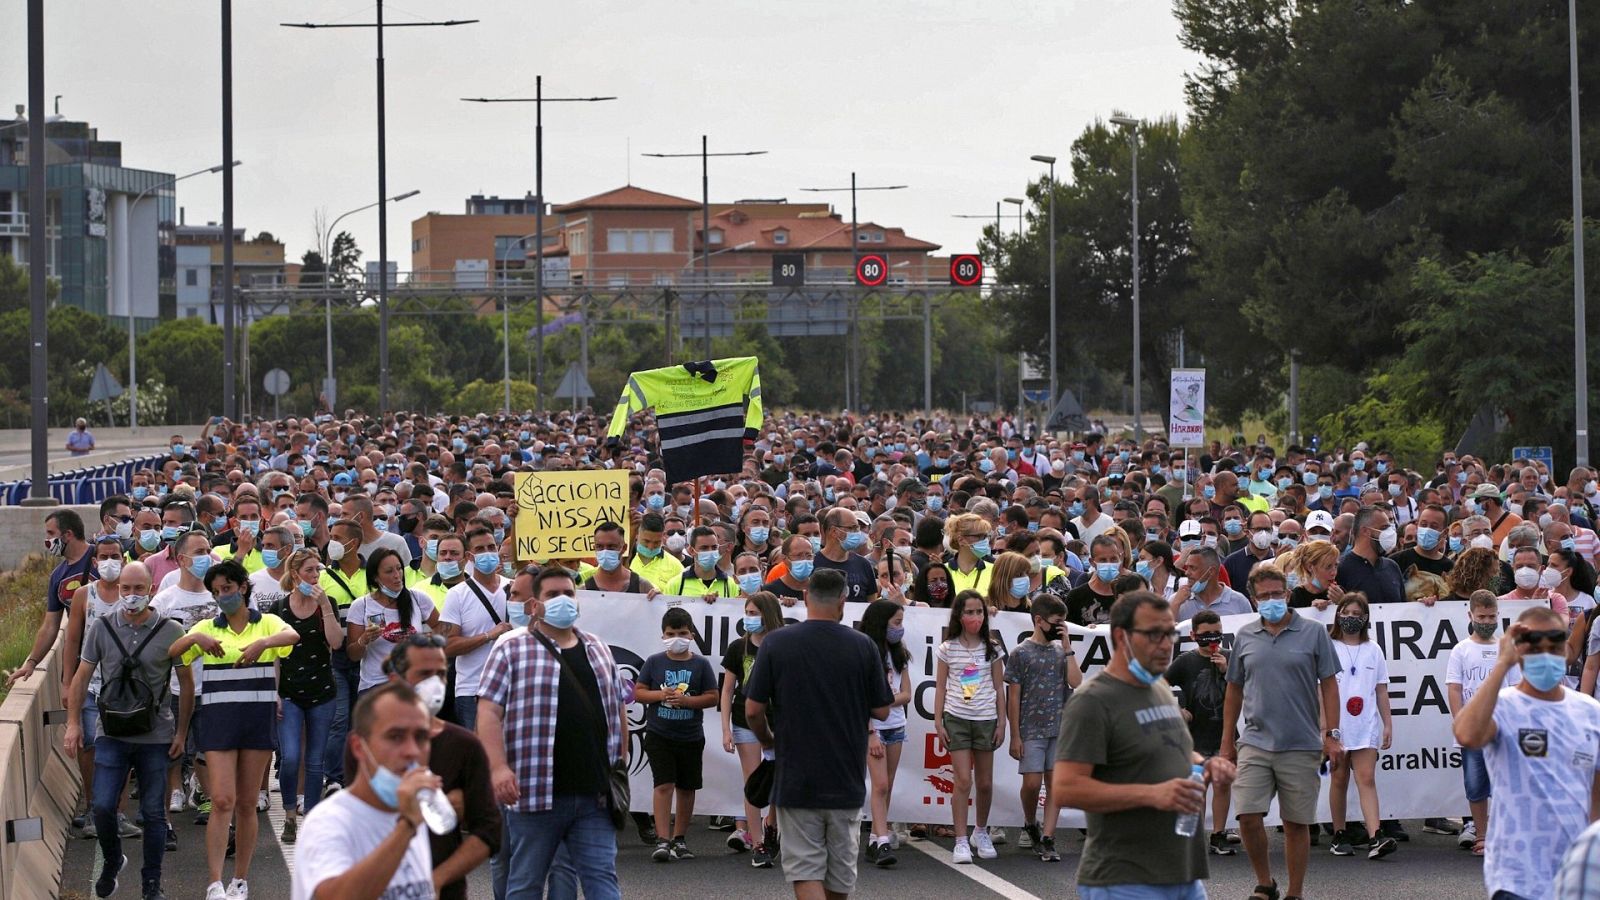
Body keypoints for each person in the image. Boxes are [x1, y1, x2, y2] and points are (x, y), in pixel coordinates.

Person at [1055, 590, 1237, 899]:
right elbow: (1066, 788)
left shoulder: (1159, 688)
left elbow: (1173, 747)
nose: (1165, 644)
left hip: (1183, 874)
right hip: (1125, 879)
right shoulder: (1094, 701)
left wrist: (1207, 765)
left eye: (1169, 633)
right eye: (1153, 634)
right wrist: (1153, 794)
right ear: (1120, 635)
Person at [478, 567, 629, 899]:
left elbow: (616, 705)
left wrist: (620, 760)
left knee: (602, 879)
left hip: (595, 794)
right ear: (534, 605)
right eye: (553, 595)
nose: (563, 600)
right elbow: (488, 710)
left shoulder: (598, 648)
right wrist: (498, 767)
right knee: (526, 882)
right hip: (534, 793)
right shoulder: (511, 648)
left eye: (569, 593)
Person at [744, 568, 893, 900]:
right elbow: (882, 710)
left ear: (806, 597)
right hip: (845, 777)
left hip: (796, 777)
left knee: (806, 871)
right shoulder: (864, 646)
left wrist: (768, 738)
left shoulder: (776, 643)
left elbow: (752, 710)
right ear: (843, 601)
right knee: (839, 879)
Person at [168, 559, 299, 900]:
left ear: (242, 587)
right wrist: (195, 635)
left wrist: (262, 646)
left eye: (227, 588)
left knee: (245, 803)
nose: (222, 595)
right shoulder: (209, 628)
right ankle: (215, 883)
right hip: (219, 720)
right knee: (222, 799)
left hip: (256, 719)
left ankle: (240, 880)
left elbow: (293, 635)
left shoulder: (267, 623)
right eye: (216, 591)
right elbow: (174, 653)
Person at [63, 560, 192, 900]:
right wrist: (74, 723)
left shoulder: (171, 630)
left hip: (155, 734)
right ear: (118, 589)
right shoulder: (102, 628)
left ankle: (152, 883)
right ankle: (111, 859)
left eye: (138, 588)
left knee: (153, 814)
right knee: (103, 806)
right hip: (112, 732)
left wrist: (181, 733)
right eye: (125, 588)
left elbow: (186, 682)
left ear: (151, 590)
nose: (131, 595)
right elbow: (82, 675)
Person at [1455, 606, 1600, 900]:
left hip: (1577, 875)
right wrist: (1502, 664)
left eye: (1554, 646)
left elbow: (1596, 793)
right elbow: (1467, 735)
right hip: (1516, 877)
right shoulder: (1504, 706)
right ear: (1520, 651)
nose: (1545, 655)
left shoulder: (1590, 712)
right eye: (1535, 646)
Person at [1221, 564, 1344, 900]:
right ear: (1253, 599)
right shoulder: (1245, 635)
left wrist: (1331, 734)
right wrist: (1226, 744)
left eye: (1277, 594)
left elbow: (1330, 685)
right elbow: (1233, 689)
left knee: (1295, 823)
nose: (1272, 600)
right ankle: (1265, 882)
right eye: (1264, 596)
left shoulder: (1314, 632)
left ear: (1288, 594)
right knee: (1247, 815)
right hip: (1255, 741)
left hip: (1301, 743)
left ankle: (1295, 892)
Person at [365, 632, 502, 900]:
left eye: (441, 674)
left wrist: (436, 880)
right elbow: (363, 819)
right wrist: (442, 803)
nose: (435, 683)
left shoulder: (465, 745)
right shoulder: (365, 743)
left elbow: (488, 831)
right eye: (424, 673)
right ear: (397, 680)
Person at [290, 681, 441, 900]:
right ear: (359, 747)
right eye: (395, 736)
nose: (411, 750)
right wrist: (406, 827)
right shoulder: (329, 822)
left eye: (421, 737)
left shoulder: (413, 810)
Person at [269, 548, 344, 841]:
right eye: (310, 570)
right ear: (296, 572)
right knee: (290, 757)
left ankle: (310, 819)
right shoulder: (278, 607)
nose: (315, 576)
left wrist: (324, 603)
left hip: (322, 690)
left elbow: (336, 643)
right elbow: (275, 655)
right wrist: (273, 693)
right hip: (288, 690)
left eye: (318, 570)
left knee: (315, 761)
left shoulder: (328, 603)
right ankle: (289, 813)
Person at [634, 606, 718, 862]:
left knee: (686, 787)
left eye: (682, 632)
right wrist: (661, 695)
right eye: (671, 633)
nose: (677, 637)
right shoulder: (654, 661)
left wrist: (688, 702)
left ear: (691, 635)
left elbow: (713, 697)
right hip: (659, 734)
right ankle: (662, 839)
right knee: (663, 785)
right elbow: (638, 692)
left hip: (691, 735)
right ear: (663, 635)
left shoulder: (701, 664)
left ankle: (679, 838)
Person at [1004, 593, 1082, 863]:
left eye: (1064, 624)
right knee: (1032, 783)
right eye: (1056, 623)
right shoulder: (1020, 653)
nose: (1060, 628)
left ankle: (1048, 837)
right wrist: (1015, 735)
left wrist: (1068, 644)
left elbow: (1075, 681)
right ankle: (1029, 821)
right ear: (1039, 620)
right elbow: (1013, 698)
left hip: (1059, 729)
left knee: (1055, 785)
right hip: (1031, 729)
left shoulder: (1061, 651)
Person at [60, 535, 129, 838]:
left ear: (124, 560)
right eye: (104, 556)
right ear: (94, 560)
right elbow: (72, 640)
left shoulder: (133, 595)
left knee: (124, 747)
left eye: (115, 556)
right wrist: (67, 682)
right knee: (90, 746)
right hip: (90, 683)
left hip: (126, 687)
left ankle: (118, 811)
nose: (110, 562)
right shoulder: (84, 596)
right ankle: (92, 808)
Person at [934, 588, 1008, 863]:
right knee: (963, 780)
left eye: (979, 611)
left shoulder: (993, 648)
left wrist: (1002, 722)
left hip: (986, 718)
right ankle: (961, 839)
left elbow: (1000, 688)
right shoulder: (947, 648)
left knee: (985, 783)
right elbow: (940, 686)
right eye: (969, 612)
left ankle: (981, 831)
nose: (975, 616)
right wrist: (937, 720)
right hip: (957, 718)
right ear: (959, 615)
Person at [1446, 590, 1520, 857]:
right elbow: (1454, 689)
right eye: (1481, 616)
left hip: (1501, 731)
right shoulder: (1461, 650)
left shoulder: (1505, 649)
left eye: (1491, 616)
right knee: (1475, 785)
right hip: (1473, 732)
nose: (1487, 621)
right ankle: (1482, 834)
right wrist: (1460, 721)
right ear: (1470, 616)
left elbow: (1514, 688)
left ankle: (1502, 834)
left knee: (1504, 785)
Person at [1325, 593, 1397, 860]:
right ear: (1338, 614)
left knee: (1366, 778)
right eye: (1347, 613)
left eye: (1357, 614)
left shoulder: (1373, 649)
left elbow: (1381, 691)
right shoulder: (1328, 646)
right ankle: (1339, 833)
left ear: (1365, 618)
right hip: (1337, 725)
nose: (1351, 618)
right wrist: (1325, 728)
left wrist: (1388, 723)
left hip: (1365, 724)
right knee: (1339, 778)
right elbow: (1321, 689)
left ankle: (1375, 835)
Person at [1165, 609, 1239, 855]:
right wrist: (1177, 709)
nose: (1212, 640)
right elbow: (1157, 686)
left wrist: (1226, 671)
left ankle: (1218, 833)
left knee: (1222, 785)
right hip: (1194, 736)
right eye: (1206, 635)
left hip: (1225, 734)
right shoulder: (1186, 661)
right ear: (1194, 635)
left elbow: (1246, 691)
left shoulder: (1231, 657)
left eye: (1216, 634)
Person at [719, 591, 785, 866]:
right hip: (745, 720)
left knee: (777, 781)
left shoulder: (782, 646)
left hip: (779, 722)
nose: (749, 618)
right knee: (753, 781)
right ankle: (757, 843)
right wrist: (725, 729)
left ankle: (771, 829)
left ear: (768, 615)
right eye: (747, 613)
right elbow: (727, 690)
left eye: (754, 613)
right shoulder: (738, 647)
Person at [8, 509, 95, 689]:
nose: (47, 540)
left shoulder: (101, 557)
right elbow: (50, 626)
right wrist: (31, 662)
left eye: (50, 533)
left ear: (68, 534)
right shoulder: (58, 576)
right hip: (82, 657)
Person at [438, 527, 511, 730]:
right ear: (470, 556)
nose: (487, 552)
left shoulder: (513, 588)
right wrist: (488, 635)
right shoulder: (457, 595)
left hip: (512, 686)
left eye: (491, 547)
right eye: (480, 549)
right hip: (473, 691)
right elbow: (448, 645)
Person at [859, 599, 913, 866]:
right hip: (875, 727)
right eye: (897, 623)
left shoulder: (898, 653)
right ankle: (881, 840)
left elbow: (907, 693)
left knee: (887, 785)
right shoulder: (867, 653)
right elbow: (862, 698)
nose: (900, 629)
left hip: (895, 725)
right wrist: (871, 727)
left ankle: (875, 836)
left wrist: (885, 700)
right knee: (879, 784)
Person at [345, 548, 440, 694]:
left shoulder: (418, 598)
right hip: (376, 686)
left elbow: (443, 628)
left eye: (399, 569)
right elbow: (353, 655)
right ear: (376, 577)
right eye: (389, 571)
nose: (397, 576)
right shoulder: (361, 606)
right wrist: (364, 640)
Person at [815, 508, 880, 601]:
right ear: (834, 531)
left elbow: (871, 604)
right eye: (851, 528)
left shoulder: (864, 564)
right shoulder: (813, 563)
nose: (857, 532)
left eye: (857, 528)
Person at [1175, 545, 1254, 620]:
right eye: (1187, 567)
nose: (1187, 573)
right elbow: (1165, 631)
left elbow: (1249, 633)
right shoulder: (1178, 600)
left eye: (1193, 568)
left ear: (1211, 571)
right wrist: (1175, 604)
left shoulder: (1239, 601)